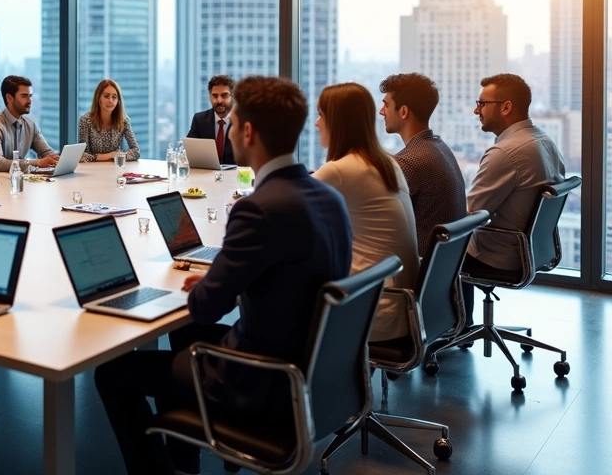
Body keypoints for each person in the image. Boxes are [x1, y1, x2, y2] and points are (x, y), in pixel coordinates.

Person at [94, 76, 351, 475]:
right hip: (312, 366)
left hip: (262, 378)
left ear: (247, 132)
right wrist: (227, 279)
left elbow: (204, 306)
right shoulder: (329, 197)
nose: (227, 130)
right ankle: (186, 458)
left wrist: (212, 285)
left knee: (111, 373)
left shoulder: (260, 208)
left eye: (232, 123)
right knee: (182, 336)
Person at [313, 83, 419, 342]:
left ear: (337, 122)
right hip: (404, 306)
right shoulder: (386, 163)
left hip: (373, 311)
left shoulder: (338, 170)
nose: (316, 123)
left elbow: (285, 213)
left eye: (321, 115)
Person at [462, 73, 565, 323]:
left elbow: (469, 216)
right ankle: (462, 326)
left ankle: (447, 331)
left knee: (429, 243)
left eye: (482, 103)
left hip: (498, 256)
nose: (477, 110)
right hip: (534, 250)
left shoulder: (505, 153)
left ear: (506, 107)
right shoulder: (545, 141)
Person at [379, 73, 467, 259]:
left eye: (386, 105)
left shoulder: (408, 162)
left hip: (415, 271)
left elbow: (375, 214)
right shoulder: (440, 147)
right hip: (441, 269)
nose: (381, 111)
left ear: (403, 111)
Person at [0, 75, 59, 172]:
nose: (30, 101)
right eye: (24, 96)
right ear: (9, 98)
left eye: (30, 96)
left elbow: (47, 152)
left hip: (21, 180)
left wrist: (59, 160)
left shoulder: (30, 125)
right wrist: (36, 162)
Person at [78, 78, 140, 162]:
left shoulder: (123, 121)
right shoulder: (85, 120)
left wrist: (122, 155)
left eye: (114, 97)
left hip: (115, 168)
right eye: (106, 96)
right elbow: (82, 155)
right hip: (93, 170)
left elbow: (136, 151)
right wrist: (111, 155)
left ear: (118, 101)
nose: (111, 100)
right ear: (98, 98)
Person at [186, 74, 236, 165]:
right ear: (210, 97)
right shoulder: (199, 120)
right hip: (206, 174)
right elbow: (189, 151)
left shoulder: (243, 121)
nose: (219, 101)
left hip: (236, 175)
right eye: (215, 96)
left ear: (233, 96)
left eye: (224, 96)